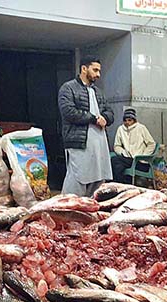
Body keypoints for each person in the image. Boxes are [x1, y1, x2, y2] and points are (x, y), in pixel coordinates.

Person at [58, 56, 114, 197]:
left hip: (99, 143)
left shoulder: (99, 92)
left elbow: (110, 113)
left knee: (99, 179)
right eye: (95, 70)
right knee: (77, 179)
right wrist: (94, 119)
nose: (98, 74)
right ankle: (69, 211)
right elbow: (69, 112)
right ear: (84, 69)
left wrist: (105, 118)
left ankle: (91, 211)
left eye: (99, 71)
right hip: (79, 142)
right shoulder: (68, 88)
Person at [111, 107, 157, 183]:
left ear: (134, 120)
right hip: (127, 159)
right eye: (125, 120)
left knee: (115, 161)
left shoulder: (141, 128)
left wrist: (143, 156)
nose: (127, 122)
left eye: (130, 120)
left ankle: (121, 185)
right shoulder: (120, 129)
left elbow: (151, 144)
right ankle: (124, 185)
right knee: (117, 165)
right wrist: (123, 153)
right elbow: (117, 146)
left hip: (140, 162)